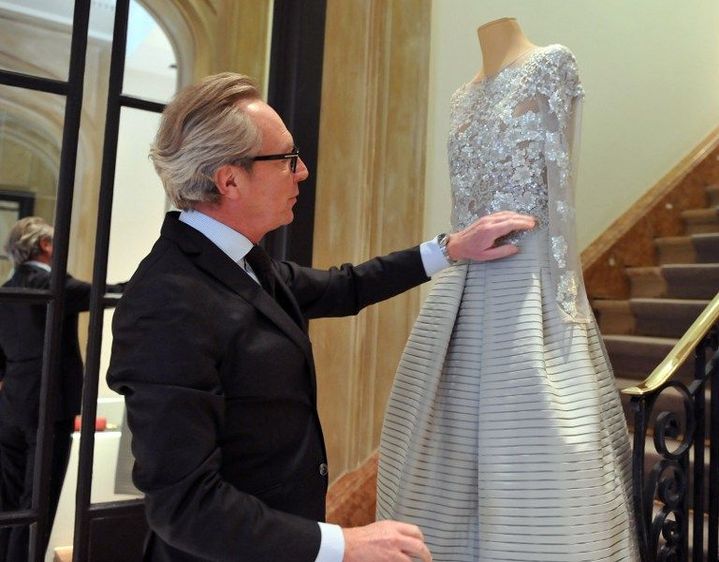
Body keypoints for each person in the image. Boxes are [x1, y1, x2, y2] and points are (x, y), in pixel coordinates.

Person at [105, 72, 535, 562]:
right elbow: (185, 506)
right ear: (229, 179)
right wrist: (343, 544)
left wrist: (450, 249)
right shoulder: (167, 303)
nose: (303, 171)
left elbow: (344, 285)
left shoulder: (239, 260)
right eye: (287, 158)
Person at [376, 17, 639, 562]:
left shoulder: (551, 64)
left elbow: (561, 195)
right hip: (465, 284)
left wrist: (564, 297)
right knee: (439, 448)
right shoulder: (459, 96)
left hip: (529, 276)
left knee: (540, 443)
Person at [0, 217, 123, 560]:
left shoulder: (7, 289)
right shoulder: (53, 285)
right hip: (49, 409)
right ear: (45, 246)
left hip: (9, 411)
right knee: (40, 503)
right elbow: (108, 292)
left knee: (9, 506)